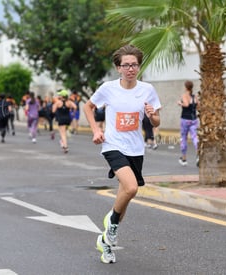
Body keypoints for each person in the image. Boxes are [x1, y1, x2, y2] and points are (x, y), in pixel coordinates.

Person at [83, 45, 161, 264]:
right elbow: (87, 107)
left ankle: (105, 241)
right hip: (113, 145)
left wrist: (153, 116)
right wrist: (96, 130)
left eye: (134, 64)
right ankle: (113, 222)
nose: (130, 69)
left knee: (124, 196)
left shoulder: (147, 90)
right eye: (125, 65)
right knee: (131, 187)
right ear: (118, 67)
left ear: (139, 66)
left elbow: (156, 122)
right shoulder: (108, 88)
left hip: (136, 148)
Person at [177, 80, 198, 166]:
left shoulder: (185, 95)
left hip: (185, 119)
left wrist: (180, 103)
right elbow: (198, 106)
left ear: (186, 87)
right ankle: (199, 155)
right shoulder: (195, 96)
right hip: (194, 119)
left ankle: (184, 158)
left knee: (184, 138)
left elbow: (186, 104)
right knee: (195, 137)